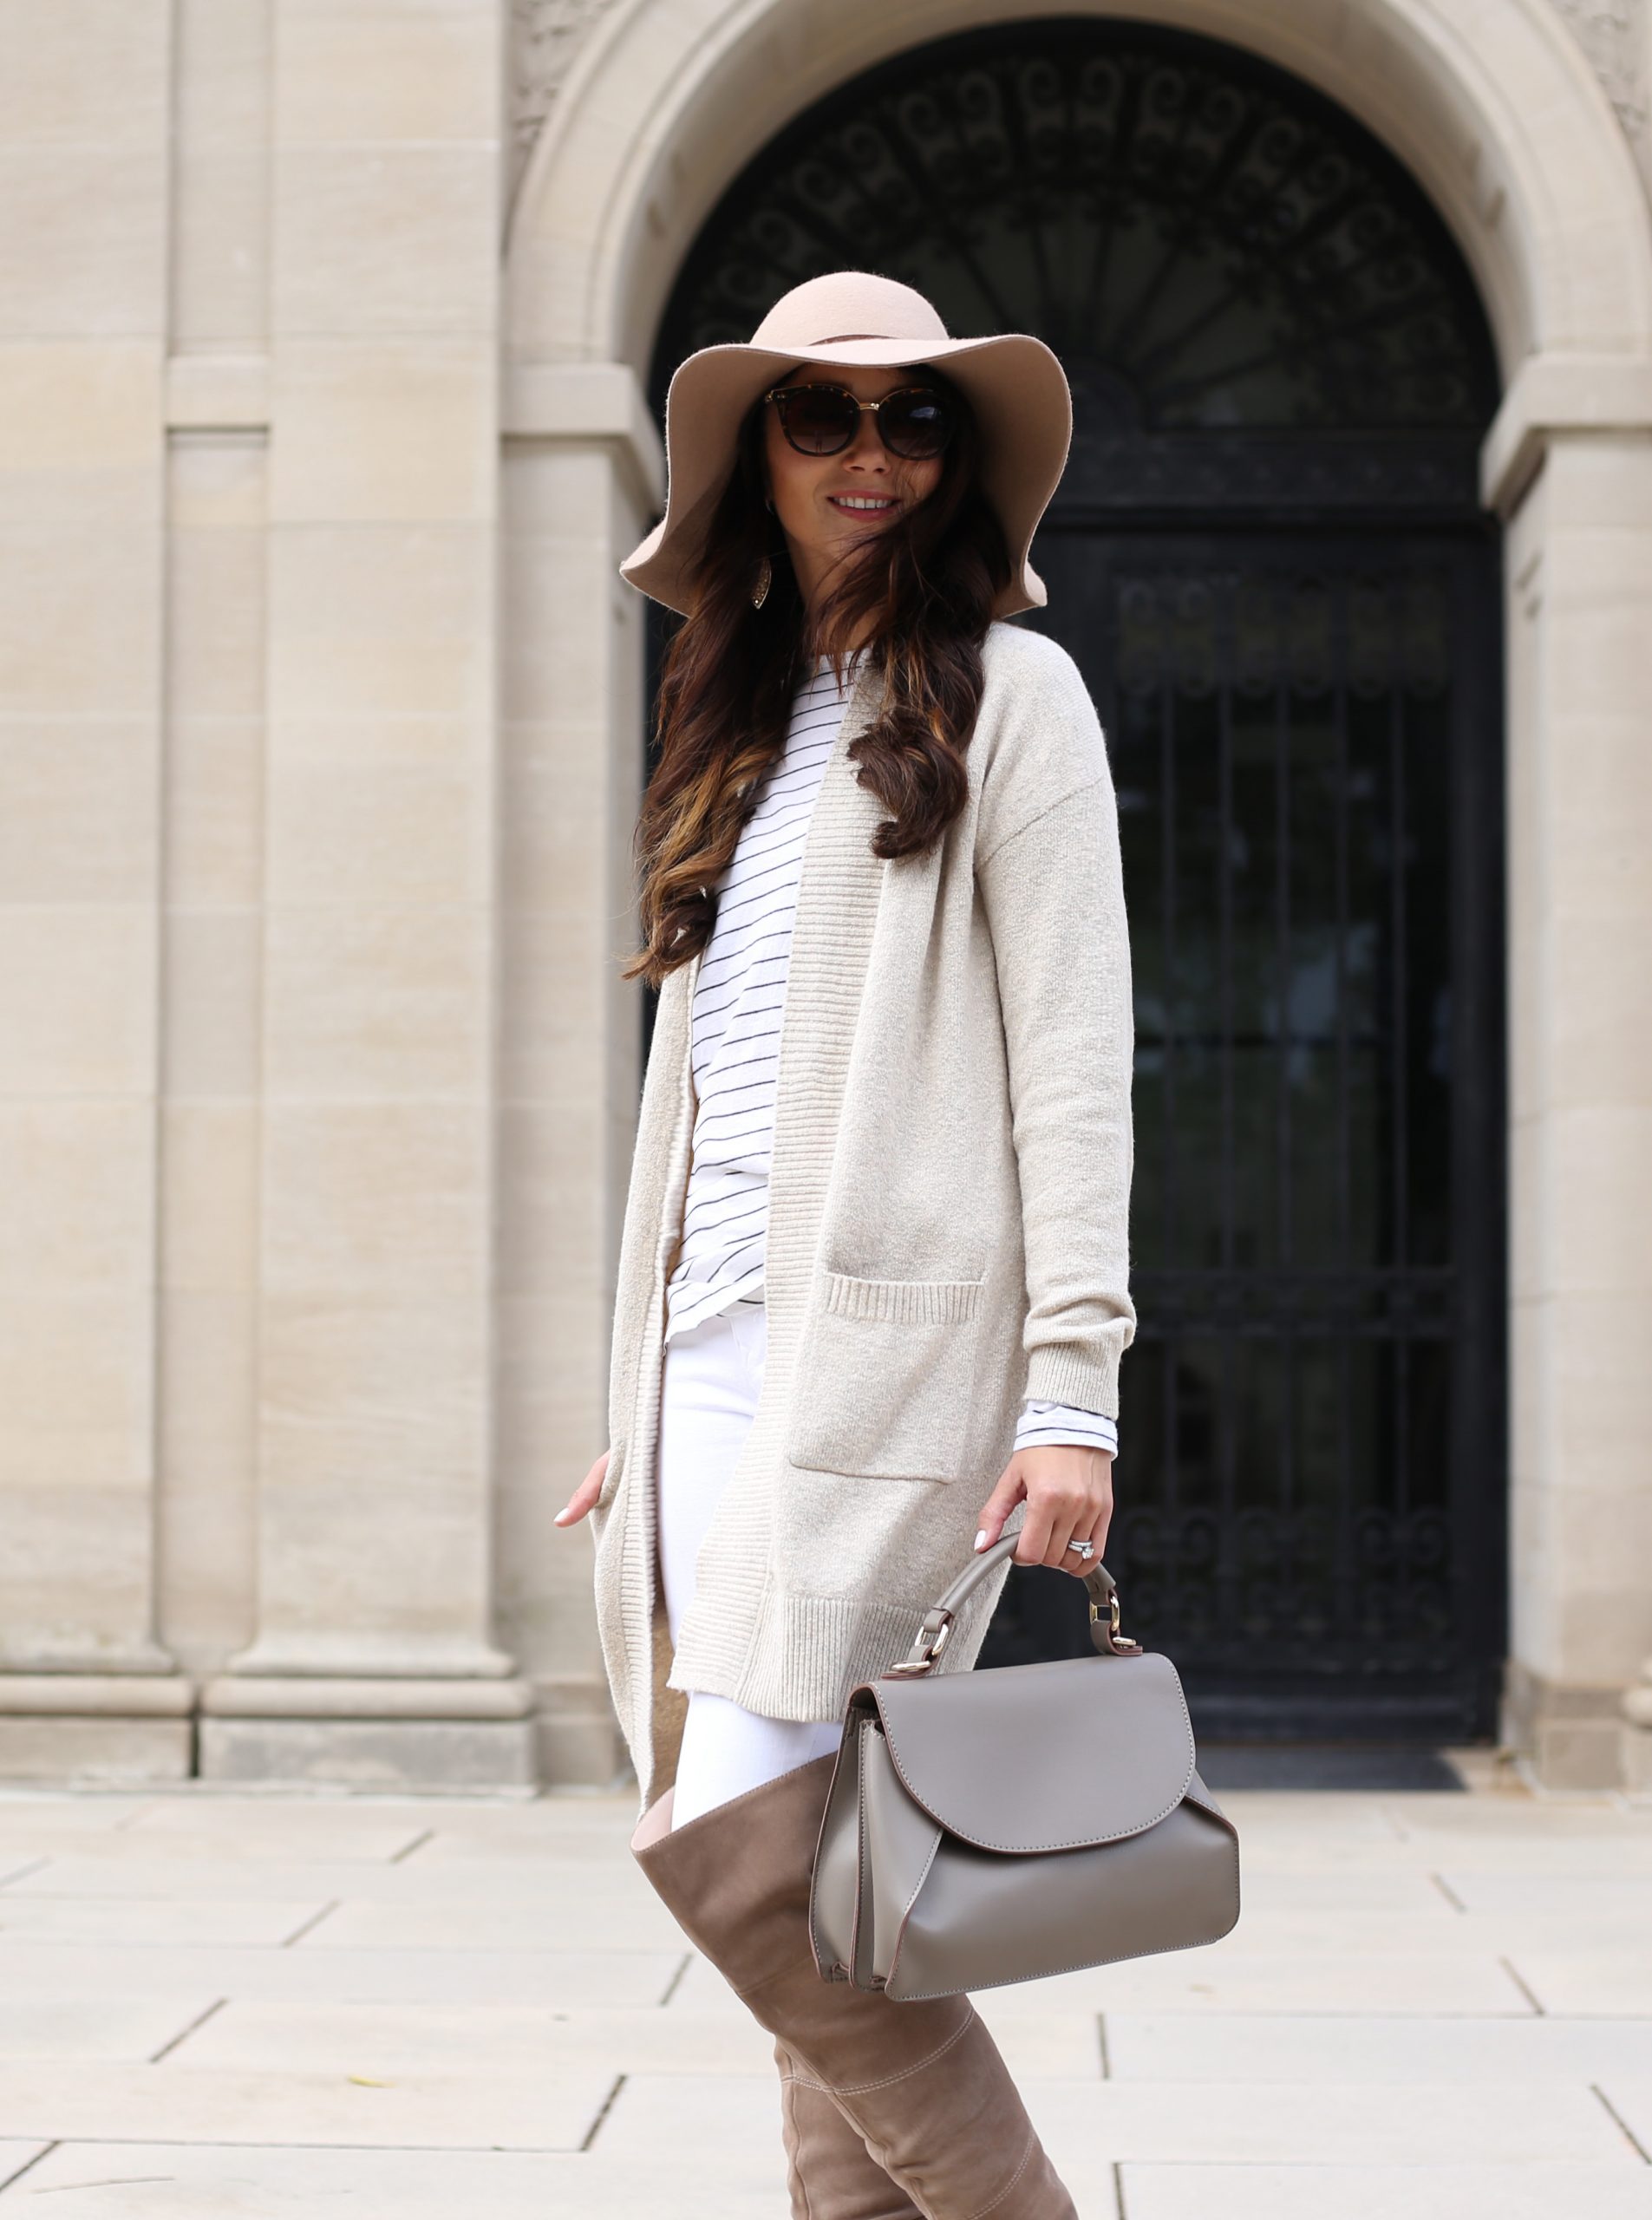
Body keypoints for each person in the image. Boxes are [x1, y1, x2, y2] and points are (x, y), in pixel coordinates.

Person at [556, 269, 1134, 2219]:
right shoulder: (737, 720)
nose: (871, 458)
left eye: (911, 423)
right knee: (830, 1868)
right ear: (756, 453)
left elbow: (1067, 1060)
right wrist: (636, 1385)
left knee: (734, 1817)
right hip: (711, 1361)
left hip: (889, 1364)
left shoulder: (1010, 691)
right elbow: (702, 1089)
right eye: (824, 418)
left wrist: (1073, 1386)